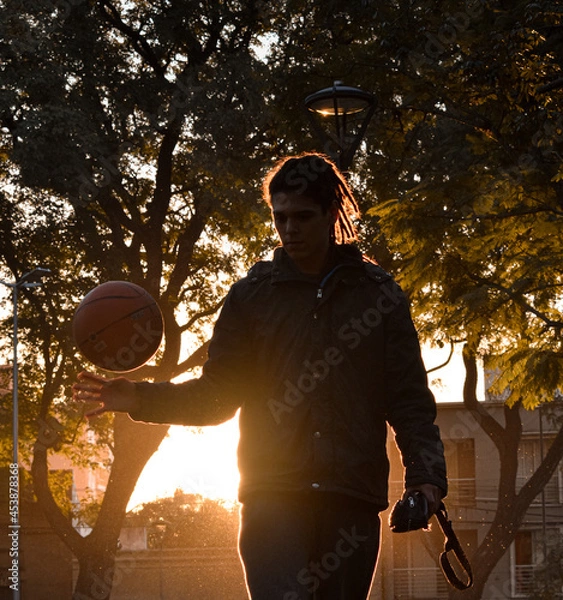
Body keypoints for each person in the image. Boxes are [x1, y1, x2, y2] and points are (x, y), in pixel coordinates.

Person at [73, 153, 447, 600]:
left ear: (331, 214)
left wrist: (426, 480)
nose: (289, 229)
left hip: (351, 498)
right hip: (273, 500)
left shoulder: (380, 296)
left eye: (302, 217)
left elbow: (408, 402)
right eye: (280, 217)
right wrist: (138, 398)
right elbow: (217, 398)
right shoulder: (250, 298)